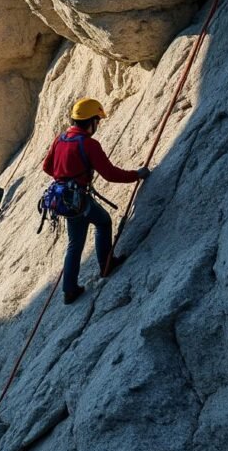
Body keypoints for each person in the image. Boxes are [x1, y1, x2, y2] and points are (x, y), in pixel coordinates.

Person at [42, 98, 150, 304]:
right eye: (97, 121)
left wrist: (65, 176)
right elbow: (110, 174)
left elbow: (47, 167)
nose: (98, 125)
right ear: (91, 121)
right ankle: (106, 264)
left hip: (62, 198)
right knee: (103, 221)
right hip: (78, 198)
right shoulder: (89, 144)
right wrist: (136, 174)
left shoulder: (60, 138)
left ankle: (69, 290)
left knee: (75, 244)